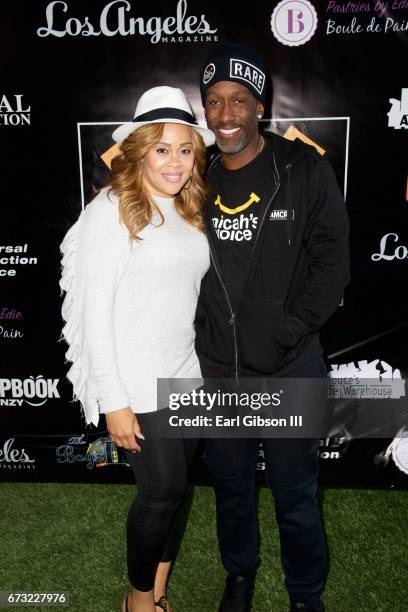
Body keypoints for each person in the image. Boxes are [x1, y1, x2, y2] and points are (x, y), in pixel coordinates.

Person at [195, 44, 350, 612]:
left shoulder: (304, 169)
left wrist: (289, 329)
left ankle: (305, 595)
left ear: (259, 105)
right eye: (214, 102)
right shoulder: (194, 173)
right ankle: (240, 576)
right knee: (232, 491)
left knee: (296, 495)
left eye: (239, 100)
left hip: (291, 366)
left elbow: (333, 263)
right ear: (204, 110)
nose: (226, 114)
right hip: (219, 371)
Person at [60, 86, 215, 612]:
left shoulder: (189, 209)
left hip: (186, 378)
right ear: (140, 150)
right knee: (160, 492)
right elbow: (92, 313)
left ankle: (160, 593)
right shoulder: (111, 209)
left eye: (185, 148)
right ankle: (137, 602)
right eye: (162, 148)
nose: (175, 161)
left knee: (178, 493)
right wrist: (113, 401)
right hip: (136, 384)